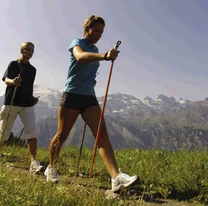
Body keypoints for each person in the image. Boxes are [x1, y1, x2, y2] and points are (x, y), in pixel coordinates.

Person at [45, 15, 139, 192]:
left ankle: (116, 177)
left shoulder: (94, 48)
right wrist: (104, 56)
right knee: (62, 135)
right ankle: (51, 168)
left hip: (89, 97)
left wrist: (91, 81)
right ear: (87, 28)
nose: (98, 34)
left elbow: (88, 68)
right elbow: (80, 57)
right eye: (96, 30)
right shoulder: (77, 42)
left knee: (101, 134)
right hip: (72, 95)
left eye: (101, 32)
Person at [0, 42, 42, 174]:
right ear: (21, 50)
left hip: (27, 104)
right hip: (11, 102)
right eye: (27, 49)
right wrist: (13, 82)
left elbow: (29, 87)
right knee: (3, 130)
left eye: (32, 49)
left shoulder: (33, 70)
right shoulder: (13, 64)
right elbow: (5, 79)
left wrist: (32, 98)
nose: (30, 51)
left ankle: (33, 163)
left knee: (32, 132)